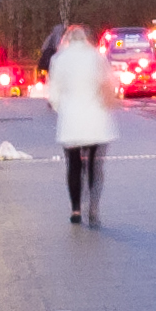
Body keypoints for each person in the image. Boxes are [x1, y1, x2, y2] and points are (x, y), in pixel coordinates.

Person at [44, 21, 117, 225]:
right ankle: (93, 205)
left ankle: (76, 209)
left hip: (71, 119)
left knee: (73, 165)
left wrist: (61, 108)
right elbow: (109, 84)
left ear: (67, 39)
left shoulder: (59, 59)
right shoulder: (97, 57)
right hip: (95, 118)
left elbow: (54, 94)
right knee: (95, 165)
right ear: (86, 39)